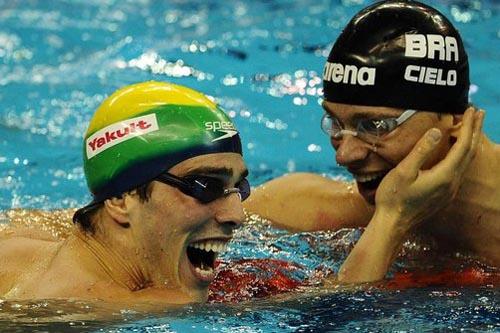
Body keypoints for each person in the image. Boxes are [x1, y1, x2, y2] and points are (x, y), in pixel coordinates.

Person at [0, 79, 480, 303]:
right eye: (206, 186)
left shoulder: (37, 233)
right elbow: (339, 309)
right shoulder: (96, 302)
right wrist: (394, 217)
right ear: (123, 199)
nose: (236, 214)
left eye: (239, 185)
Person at [244, 0, 499, 266]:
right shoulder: (325, 213)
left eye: (376, 127)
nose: (344, 155)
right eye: (335, 123)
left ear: (455, 118)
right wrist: (393, 218)